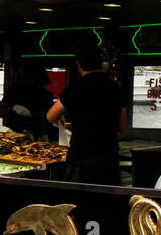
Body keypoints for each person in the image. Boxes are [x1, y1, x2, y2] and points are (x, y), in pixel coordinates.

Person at [47, 43, 126, 184]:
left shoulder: (76, 88)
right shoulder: (114, 89)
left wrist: (69, 122)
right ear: (101, 63)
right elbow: (121, 126)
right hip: (108, 158)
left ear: (78, 64)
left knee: (80, 201)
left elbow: (51, 116)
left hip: (81, 157)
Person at [0, 63, 54, 137]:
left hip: (40, 133)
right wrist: (13, 108)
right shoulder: (14, 92)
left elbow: (50, 116)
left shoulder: (46, 95)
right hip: (15, 134)